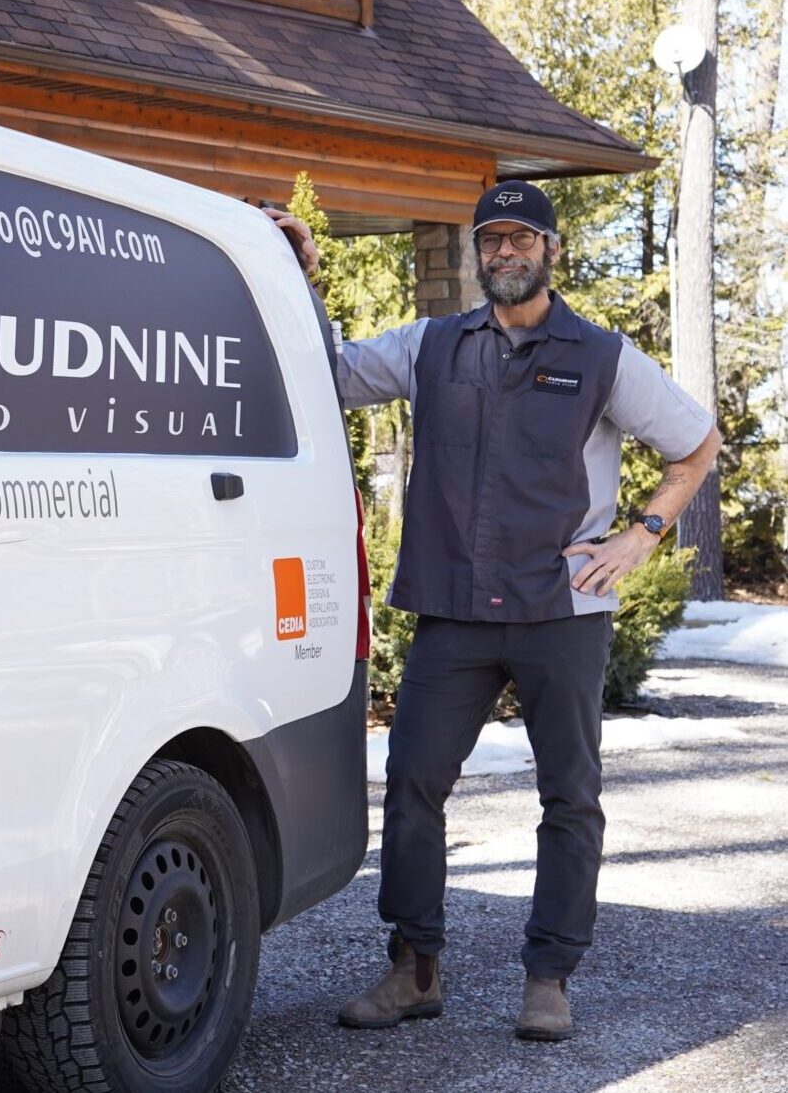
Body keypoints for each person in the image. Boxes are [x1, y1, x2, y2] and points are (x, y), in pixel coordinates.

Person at [266, 180, 720, 1042]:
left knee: (570, 797)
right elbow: (328, 373)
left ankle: (549, 976)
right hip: (455, 609)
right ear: (479, 254)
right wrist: (305, 276)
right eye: (491, 240)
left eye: (521, 239)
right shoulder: (433, 345)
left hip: (562, 609)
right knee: (410, 785)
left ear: (551, 250)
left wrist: (642, 535)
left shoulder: (601, 355)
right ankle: (414, 969)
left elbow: (696, 443)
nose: (504, 253)